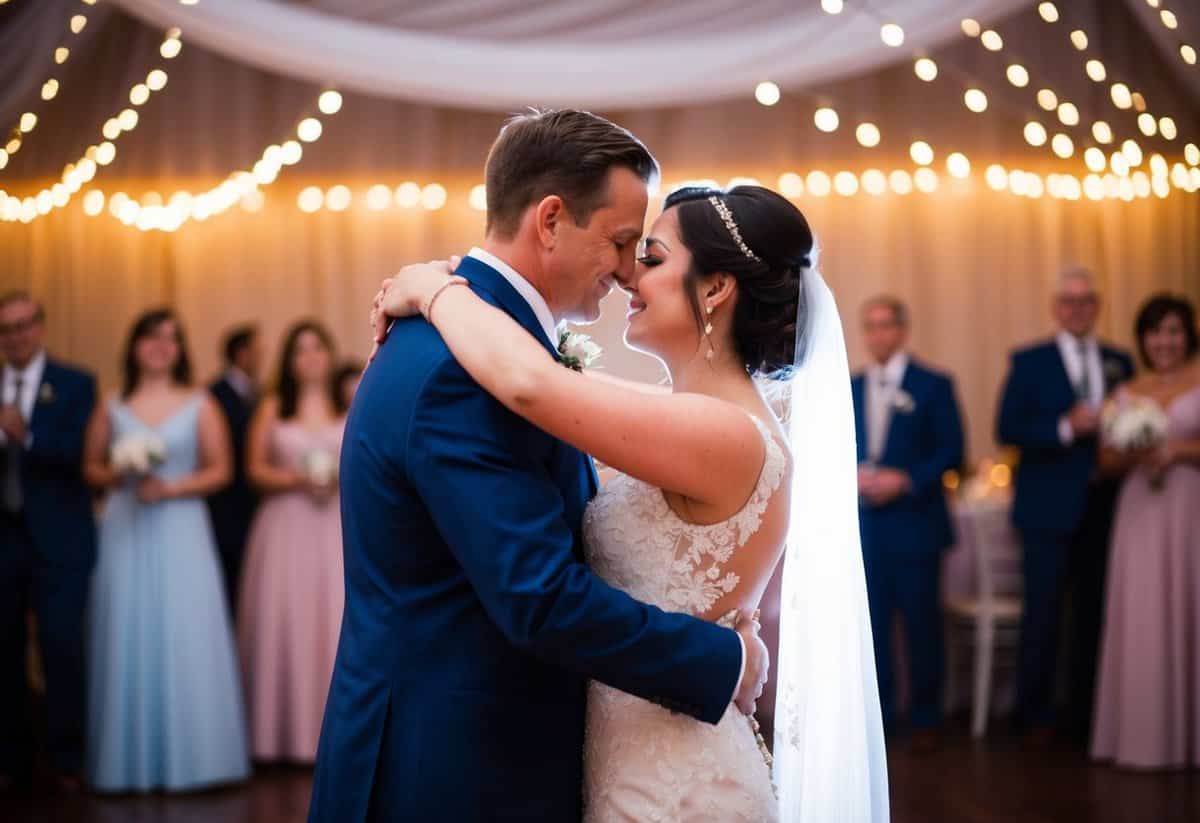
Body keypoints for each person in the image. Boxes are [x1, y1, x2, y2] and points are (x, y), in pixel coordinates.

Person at [364, 115, 886, 820]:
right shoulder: (675, 416)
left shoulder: (723, 433)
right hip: (617, 748)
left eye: (652, 256)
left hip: (676, 776)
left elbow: (533, 384)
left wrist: (434, 289)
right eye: (624, 245)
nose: (628, 272)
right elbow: (546, 384)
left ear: (716, 289)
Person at [82, 309, 250, 792]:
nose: (161, 347)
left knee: (185, 629)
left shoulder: (200, 402)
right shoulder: (111, 403)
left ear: (180, 350)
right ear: (134, 345)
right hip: (124, 527)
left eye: (171, 340)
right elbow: (90, 468)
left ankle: (196, 762)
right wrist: (119, 473)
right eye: (152, 337)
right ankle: (124, 764)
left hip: (181, 529)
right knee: (125, 627)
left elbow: (221, 470)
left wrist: (171, 489)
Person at [997, 267, 1135, 746]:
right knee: (1044, 614)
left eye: (1086, 301)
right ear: (1057, 308)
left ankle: (1088, 715)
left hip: (1108, 507)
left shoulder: (1120, 360)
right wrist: (1063, 427)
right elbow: (1007, 427)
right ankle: (1034, 715)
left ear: (1097, 307)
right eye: (1069, 302)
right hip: (1046, 509)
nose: (1078, 310)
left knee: (1095, 613)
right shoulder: (1030, 360)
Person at [1092, 295, 1200, 769]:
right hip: (1139, 510)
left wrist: (1180, 452)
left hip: (1188, 507)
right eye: (1156, 332)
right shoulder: (1128, 390)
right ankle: (1142, 738)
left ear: (1188, 335)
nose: (1165, 341)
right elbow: (1105, 461)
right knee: (1143, 609)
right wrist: (1135, 451)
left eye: (1174, 331)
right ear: (1143, 340)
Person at [852, 296, 964, 751]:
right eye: (871, 327)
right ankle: (880, 720)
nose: (879, 335)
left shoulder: (934, 384)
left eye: (886, 326)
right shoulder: (851, 385)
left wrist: (906, 480)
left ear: (902, 330)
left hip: (916, 524)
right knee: (872, 626)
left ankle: (925, 716)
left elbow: (953, 451)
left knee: (921, 625)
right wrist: (853, 473)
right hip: (867, 527)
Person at [0, 292, 96, 793]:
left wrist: (24, 435)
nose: (16, 336)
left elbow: (82, 456)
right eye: (6, 329)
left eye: (23, 325)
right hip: (5, 539)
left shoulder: (75, 383)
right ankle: (11, 762)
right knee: (4, 649)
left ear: (40, 327)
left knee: (61, 646)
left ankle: (67, 761)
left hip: (60, 539)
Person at [238, 321, 346, 763]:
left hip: (336, 527)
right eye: (300, 350)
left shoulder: (351, 402)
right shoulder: (271, 407)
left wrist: (336, 478)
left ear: (329, 354)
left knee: (335, 619)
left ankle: (334, 736)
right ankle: (280, 738)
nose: (310, 357)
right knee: (287, 621)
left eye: (317, 348)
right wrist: (297, 479)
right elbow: (253, 469)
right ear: (289, 360)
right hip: (284, 527)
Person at [207, 325, 263, 613]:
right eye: (257, 351)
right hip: (226, 504)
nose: (262, 357)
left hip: (257, 503)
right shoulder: (213, 395)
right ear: (241, 354)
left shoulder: (262, 393)